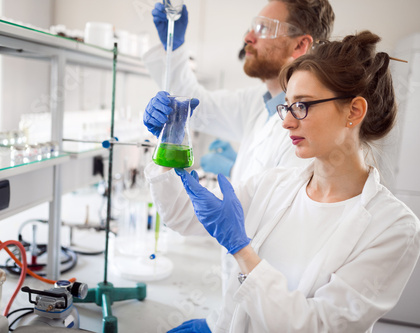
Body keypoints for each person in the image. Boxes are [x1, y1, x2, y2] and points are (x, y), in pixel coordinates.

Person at [144, 31, 420, 332]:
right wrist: (167, 139)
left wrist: (240, 248)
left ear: (353, 110)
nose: (287, 121)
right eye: (286, 106)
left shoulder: (394, 228)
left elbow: (314, 326)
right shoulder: (275, 183)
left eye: (302, 105)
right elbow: (182, 217)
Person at [143, 0, 335, 182]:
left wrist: (233, 170)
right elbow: (196, 105)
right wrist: (175, 48)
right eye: (253, 27)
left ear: (299, 45)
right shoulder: (259, 102)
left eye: (264, 28)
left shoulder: (310, 128)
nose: (248, 37)